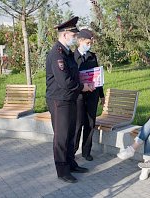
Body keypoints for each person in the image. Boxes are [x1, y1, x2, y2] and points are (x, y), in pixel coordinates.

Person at [46, 16, 94, 183]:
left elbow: (74, 75)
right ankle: (62, 170)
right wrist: (83, 87)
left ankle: (71, 164)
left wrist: (85, 82)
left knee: (71, 133)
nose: (76, 37)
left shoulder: (66, 53)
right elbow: (64, 81)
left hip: (70, 99)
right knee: (62, 136)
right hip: (59, 100)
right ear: (65, 34)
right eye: (74, 35)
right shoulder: (57, 54)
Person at [73, 29, 105, 161]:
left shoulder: (92, 56)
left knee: (90, 123)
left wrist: (102, 96)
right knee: (77, 124)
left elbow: (98, 77)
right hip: (79, 96)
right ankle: (73, 150)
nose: (89, 44)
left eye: (91, 42)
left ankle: (86, 151)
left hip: (93, 95)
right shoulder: (72, 57)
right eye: (87, 42)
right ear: (80, 41)